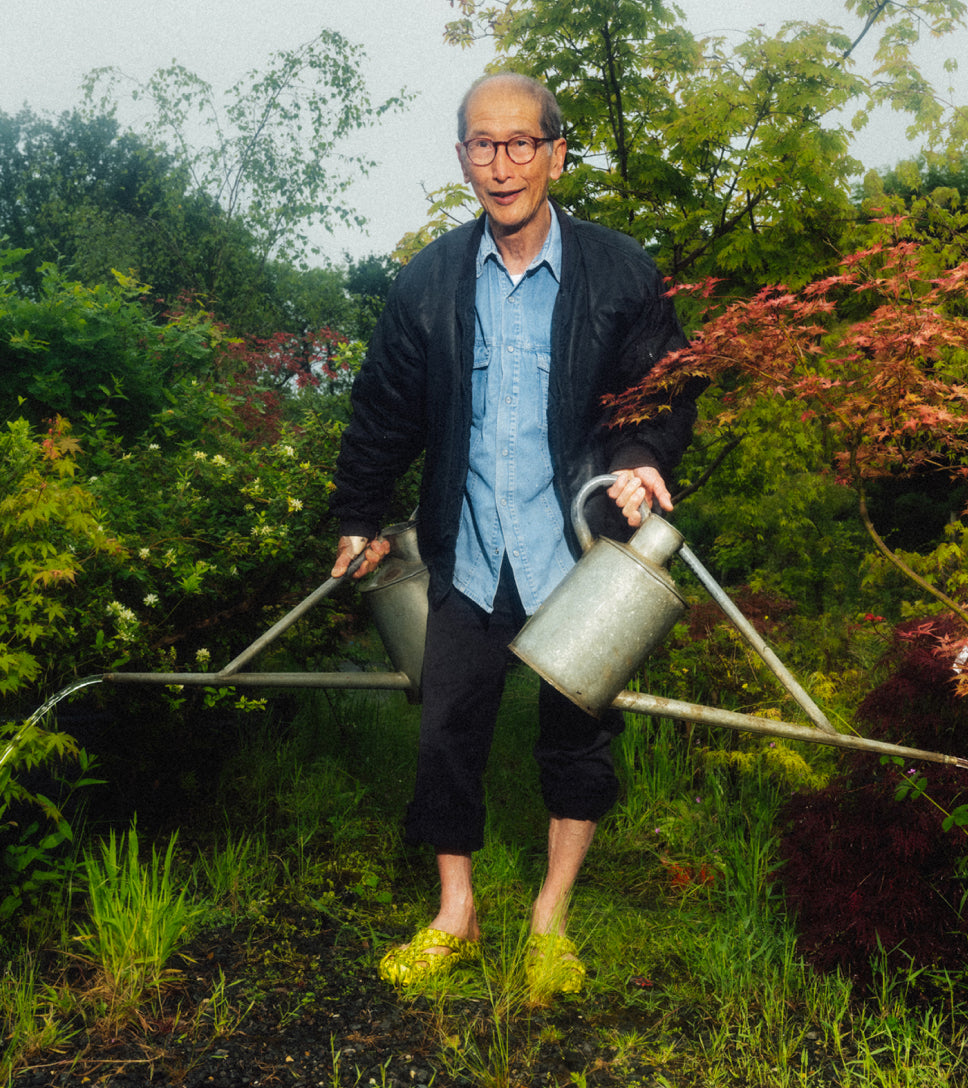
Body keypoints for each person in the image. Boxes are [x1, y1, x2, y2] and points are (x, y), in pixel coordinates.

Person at [328, 71, 699, 998]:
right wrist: (360, 515)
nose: (502, 165)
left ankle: (550, 919)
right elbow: (383, 411)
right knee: (446, 733)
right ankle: (456, 912)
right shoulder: (429, 282)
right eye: (483, 146)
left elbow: (658, 389)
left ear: (556, 155)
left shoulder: (621, 270)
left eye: (521, 144)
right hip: (471, 547)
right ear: (463, 158)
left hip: (579, 556)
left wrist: (642, 457)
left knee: (578, 740)